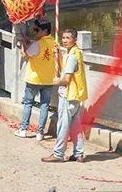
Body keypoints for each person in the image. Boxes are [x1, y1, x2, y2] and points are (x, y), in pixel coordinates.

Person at [42, 29, 88, 163]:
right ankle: (79, 153)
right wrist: (58, 55)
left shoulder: (73, 56)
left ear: (75, 39)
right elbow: (65, 68)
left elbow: (66, 79)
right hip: (75, 95)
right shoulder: (74, 53)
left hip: (68, 95)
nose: (65, 40)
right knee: (75, 126)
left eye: (68, 38)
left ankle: (58, 153)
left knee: (63, 124)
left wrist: (54, 81)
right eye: (63, 38)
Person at [15, 19, 56, 141]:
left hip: (34, 79)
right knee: (44, 105)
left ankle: (23, 129)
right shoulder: (54, 43)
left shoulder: (38, 44)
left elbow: (25, 54)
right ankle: (40, 133)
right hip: (48, 79)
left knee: (28, 103)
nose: (35, 32)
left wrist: (22, 43)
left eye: (36, 30)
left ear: (44, 31)